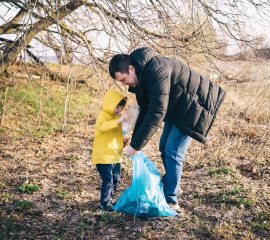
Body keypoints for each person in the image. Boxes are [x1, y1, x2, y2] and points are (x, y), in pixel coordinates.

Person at [108, 47, 226, 212]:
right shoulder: (142, 76)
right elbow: (146, 109)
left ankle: (171, 200)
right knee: (164, 146)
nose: (124, 84)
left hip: (194, 107)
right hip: (177, 108)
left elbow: (157, 111)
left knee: (173, 151)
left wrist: (135, 147)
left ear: (131, 69)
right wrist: (134, 141)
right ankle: (173, 185)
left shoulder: (156, 70)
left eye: (123, 79)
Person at [91, 89, 128, 212]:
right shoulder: (103, 115)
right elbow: (102, 128)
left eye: (120, 108)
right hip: (103, 155)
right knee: (108, 179)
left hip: (115, 155)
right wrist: (117, 121)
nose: (118, 110)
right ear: (110, 104)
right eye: (116, 107)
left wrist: (124, 140)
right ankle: (104, 204)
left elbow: (116, 135)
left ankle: (108, 197)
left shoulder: (116, 118)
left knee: (116, 177)